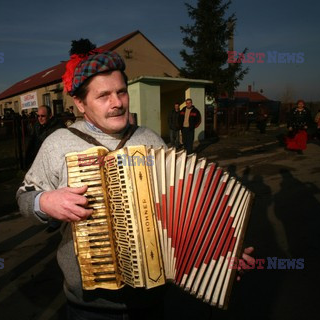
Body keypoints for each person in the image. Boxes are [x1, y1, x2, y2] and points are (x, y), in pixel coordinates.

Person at [17, 41, 254, 319]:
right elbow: (24, 196)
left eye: (121, 92)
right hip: (90, 306)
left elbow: (186, 208)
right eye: (103, 96)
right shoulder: (57, 143)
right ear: (80, 103)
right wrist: (44, 201)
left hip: (151, 299)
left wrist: (223, 255)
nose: (117, 103)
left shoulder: (150, 139)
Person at [24, 105, 65, 170]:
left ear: (50, 115)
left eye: (43, 116)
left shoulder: (58, 127)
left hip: (53, 162)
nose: (40, 118)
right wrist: (27, 160)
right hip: (39, 160)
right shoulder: (37, 126)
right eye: (38, 116)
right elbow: (31, 143)